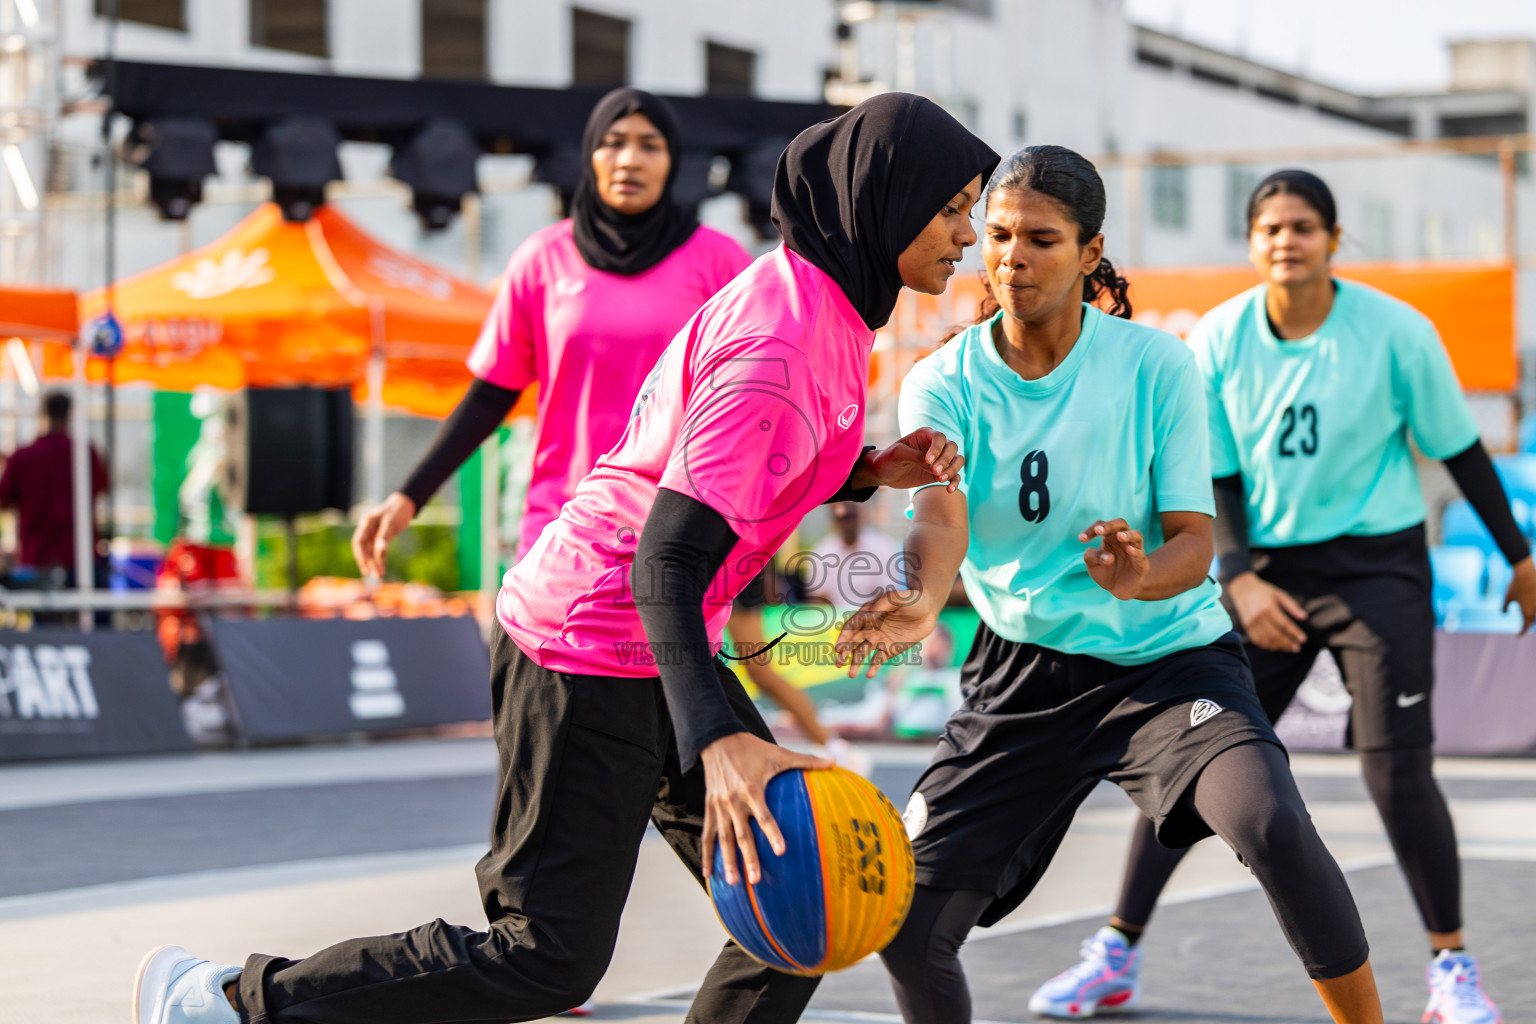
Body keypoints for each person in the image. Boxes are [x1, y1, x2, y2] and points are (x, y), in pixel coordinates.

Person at [133, 92, 998, 1024]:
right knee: (543, 958)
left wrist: (866, 470)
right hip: (588, 640)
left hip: (656, 638)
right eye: (951, 207)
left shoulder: (818, 301)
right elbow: (665, 558)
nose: (968, 233)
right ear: (884, 197)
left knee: (805, 903)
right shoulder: (781, 345)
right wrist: (719, 740)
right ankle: (224, 1001)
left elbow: (746, 468)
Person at [836, 146, 1386, 1024]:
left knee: (1273, 824)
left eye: (1042, 239)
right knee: (906, 930)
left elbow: (1193, 546)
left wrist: (1138, 578)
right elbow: (940, 521)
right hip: (1020, 680)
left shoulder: (1156, 366)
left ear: (1091, 253)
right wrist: (919, 597)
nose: (1012, 257)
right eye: (1000, 235)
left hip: (1167, 666)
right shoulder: (943, 378)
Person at [1031, 169, 1536, 1024]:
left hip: (1378, 566)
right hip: (1266, 569)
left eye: (1303, 226)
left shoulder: (1396, 332)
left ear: (1333, 240)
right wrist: (1244, 576)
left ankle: (1452, 970)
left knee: (1396, 769)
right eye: (1270, 227)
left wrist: (1520, 558)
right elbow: (1212, 476)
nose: (1286, 241)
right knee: (1190, 763)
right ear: (1253, 240)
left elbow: (1461, 452)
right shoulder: (1222, 337)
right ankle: (1116, 950)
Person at [351, 87, 751, 576]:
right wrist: (409, 495)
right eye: (613, 142)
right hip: (563, 525)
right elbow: (489, 398)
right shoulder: (542, 259)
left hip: (678, 527)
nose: (629, 159)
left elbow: (755, 398)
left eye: (650, 145)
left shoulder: (721, 262)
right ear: (590, 156)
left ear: (672, 161)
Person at [0, 391, 107, 589]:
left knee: (42, 617)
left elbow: (4, 499)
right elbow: (100, 491)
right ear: (68, 416)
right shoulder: (84, 453)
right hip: (80, 555)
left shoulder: (24, 457)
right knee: (94, 617)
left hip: (37, 557)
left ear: (41, 415)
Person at [805, 501, 905, 611]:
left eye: (850, 517)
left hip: (875, 619)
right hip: (833, 622)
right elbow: (819, 598)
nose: (847, 524)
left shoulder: (883, 546)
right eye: (843, 519)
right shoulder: (822, 552)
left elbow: (888, 595)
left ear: (861, 516)